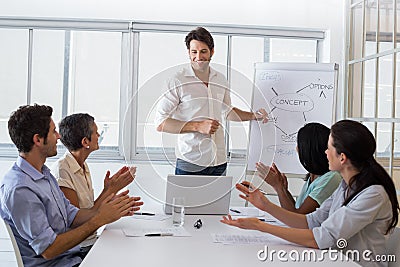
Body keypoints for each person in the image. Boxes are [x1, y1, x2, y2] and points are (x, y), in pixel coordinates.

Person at [221, 120, 399, 267]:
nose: (325, 152)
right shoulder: (345, 186)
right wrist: (265, 205)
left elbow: (322, 238)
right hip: (333, 261)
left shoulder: (373, 194)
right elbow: (310, 221)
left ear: (342, 157)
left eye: (328, 148)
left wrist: (260, 226)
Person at [0, 104, 143, 267]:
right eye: (53, 131)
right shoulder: (20, 189)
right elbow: (49, 250)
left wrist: (110, 208)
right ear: (38, 139)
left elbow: (72, 216)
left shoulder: (43, 174)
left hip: (72, 258)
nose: (59, 136)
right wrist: (99, 219)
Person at [155, 26, 268, 176]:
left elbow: (227, 111)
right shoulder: (177, 80)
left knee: (219, 200)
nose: (198, 57)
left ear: (212, 52)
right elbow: (160, 123)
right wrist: (197, 126)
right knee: (190, 201)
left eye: (203, 51)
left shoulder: (220, 79)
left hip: (219, 161)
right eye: (194, 52)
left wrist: (254, 116)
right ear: (188, 52)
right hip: (190, 162)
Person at [51, 113, 135, 252]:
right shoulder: (63, 171)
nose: (98, 135)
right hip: (78, 249)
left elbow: (90, 211)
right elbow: (76, 222)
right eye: (96, 132)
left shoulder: (82, 165)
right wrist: (111, 192)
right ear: (85, 142)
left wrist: (110, 191)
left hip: (91, 241)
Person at [256, 123, 342, 214]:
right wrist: (283, 189)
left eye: (299, 145)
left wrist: (278, 187)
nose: (296, 149)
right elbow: (295, 210)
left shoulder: (331, 177)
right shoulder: (312, 176)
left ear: (308, 149)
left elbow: (298, 217)